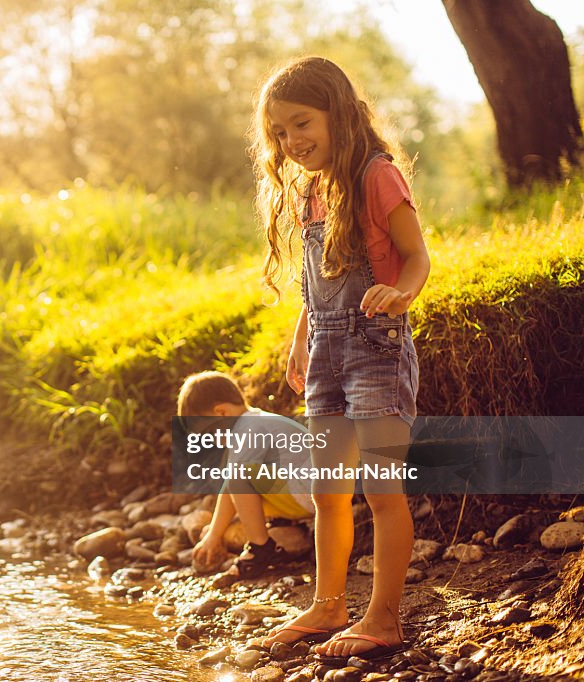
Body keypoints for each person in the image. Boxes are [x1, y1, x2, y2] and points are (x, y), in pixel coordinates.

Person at [250, 57, 430, 661]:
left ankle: (383, 617)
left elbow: (416, 255)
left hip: (377, 350)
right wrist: (303, 334)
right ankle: (329, 604)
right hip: (326, 353)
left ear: (340, 114)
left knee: (381, 489)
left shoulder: (377, 176)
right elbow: (316, 282)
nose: (292, 142)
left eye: (302, 124)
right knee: (329, 490)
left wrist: (403, 292)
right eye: (279, 133)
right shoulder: (310, 193)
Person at [177, 371, 315, 578]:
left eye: (207, 434)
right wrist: (216, 531)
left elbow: (235, 482)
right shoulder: (257, 421)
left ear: (221, 413)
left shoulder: (249, 428)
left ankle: (261, 550)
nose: (212, 442)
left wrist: (214, 535)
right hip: (311, 491)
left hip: (313, 495)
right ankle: (283, 526)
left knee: (238, 476)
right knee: (242, 480)